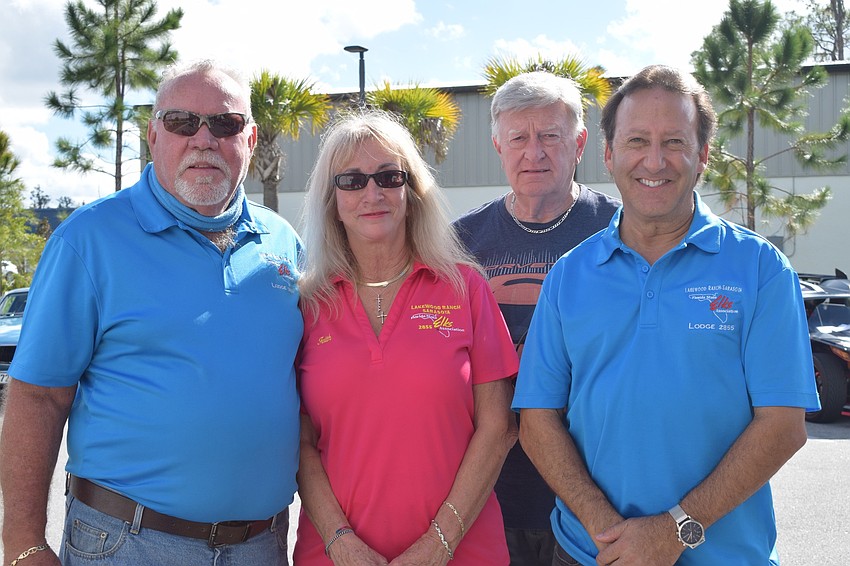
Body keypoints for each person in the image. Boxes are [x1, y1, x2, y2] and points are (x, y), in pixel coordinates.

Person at [512, 64, 819, 566]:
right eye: (636, 141)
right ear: (609, 155)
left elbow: (783, 425)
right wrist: (607, 530)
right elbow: (537, 418)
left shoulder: (761, 269)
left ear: (702, 157)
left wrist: (675, 529)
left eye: (674, 142)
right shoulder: (570, 276)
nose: (654, 160)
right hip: (589, 553)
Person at [0, 59, 302, 566]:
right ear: (153, 135)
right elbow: (38, 398)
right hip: (128, 544)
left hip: (261, 546)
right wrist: (23, 544)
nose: (203, 139)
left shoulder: (284, 243)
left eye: (224, 124)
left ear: (249, 140)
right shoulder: (89, 241)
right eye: (183, 122)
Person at [294, 110, 519, 565]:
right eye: (352, 181)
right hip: (336, 556)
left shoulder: (464, 288)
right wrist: (341, 542)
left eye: (389, 177)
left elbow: (498, 427)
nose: (372, 193)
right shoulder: (307, 305)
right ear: (330, 199)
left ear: (412, 192)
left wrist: (439, 543)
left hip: (462, 552)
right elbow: (298, 443)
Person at [453, 71, 620, 566]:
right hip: (488, 490)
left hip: (596, 495)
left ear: (580, 143)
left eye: (550, 135)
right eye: (519, 138)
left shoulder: (621, 231)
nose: (534, 152)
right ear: (497, 146)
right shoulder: (460, 243)